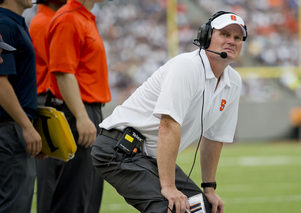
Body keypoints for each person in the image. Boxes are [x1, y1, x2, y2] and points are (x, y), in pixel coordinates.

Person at [91, 11, 247, 213]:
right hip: (119, 147)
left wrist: (209, 188)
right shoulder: (186, 66)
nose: (232, 41)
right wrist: (169, 187)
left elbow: (214, 136)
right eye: (224, 34)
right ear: (206, 36)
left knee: (202, 209)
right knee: (171, 209)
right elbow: (168, 125)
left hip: (149, 156)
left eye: (237, 37)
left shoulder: (233, 82)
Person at [42, 0, 112, 212]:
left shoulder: (82, 17)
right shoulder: (69, 18)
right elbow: (63, 72)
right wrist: (82, 117)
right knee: (73, 195)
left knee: (88, 192)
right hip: (78, 111)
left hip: (87, 110)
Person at [0, 0, 42, 212]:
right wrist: (26, 126)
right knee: (15, 204)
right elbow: (0, 82)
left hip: (14, 125)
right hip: (10, 127)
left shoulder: (14, 22)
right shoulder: (4, 23)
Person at [29, 1, 68, 213]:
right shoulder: (44, 21)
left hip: (47, 97)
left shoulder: (46, 19)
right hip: (46, 97)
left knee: (54, 172)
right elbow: (59, 66)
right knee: (50, 174)